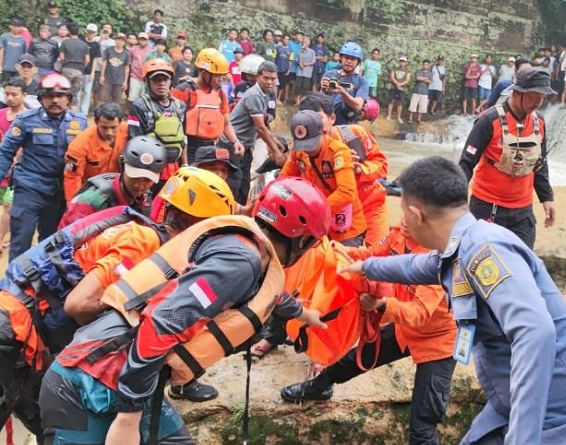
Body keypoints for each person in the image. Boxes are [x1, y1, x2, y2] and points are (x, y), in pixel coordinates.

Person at [344, 156, 566, 444]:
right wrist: (364, 267)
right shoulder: (460, 247)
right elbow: (418, 267)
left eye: (403, 211)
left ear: (416, 215)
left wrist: (522, 439)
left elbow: (535, 332)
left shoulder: (485, 250)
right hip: (510, 407)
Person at [39, 176, 331, 444]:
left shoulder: (247, 251)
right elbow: (164, 321)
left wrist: (305, 315)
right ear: (303, 240)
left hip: (125, 379)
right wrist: (129, 417)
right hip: (87, 383)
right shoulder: (241, 260)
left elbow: (268, 295)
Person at [0, 167, 242, 440]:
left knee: (52, 428)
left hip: (29, 341)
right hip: (12, 331)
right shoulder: (145, 241)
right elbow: (78, 305)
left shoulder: (151, 241)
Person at [281, 220, 457, 444]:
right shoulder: (399, 235)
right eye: (404, 211)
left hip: (438, 341)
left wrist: (382, 304)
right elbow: (372, 253)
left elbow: (419, 313)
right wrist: (339, 251)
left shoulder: (437, 258)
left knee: (423, 422)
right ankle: (318, 386)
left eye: (413, 216)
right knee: (355, 359)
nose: (404, 221)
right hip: (404, 329)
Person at [458, 68, 556, 250]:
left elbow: (540, 164)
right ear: (517, 92)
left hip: (522, 211)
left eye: (541, 97)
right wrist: (458, 201)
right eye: (532, 96)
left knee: (523, 263)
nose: (537, 102)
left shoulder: (539, 122)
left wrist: (547, 198)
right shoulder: (488, 120)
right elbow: (466, 163)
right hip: (487, 207)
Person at [0, 73, 88, 260]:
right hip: (29, 188)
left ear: (69, 98)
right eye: (49, 95)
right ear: (40, 98)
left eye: (60, 95)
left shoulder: (80, 123)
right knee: (21, 240)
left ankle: (41, 286)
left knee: (50, 243)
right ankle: (14, 287)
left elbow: (86, 159)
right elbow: (6, 152)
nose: (55, 100)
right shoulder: (26, 120)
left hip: (59, 193)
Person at [299, 92, 389, 245]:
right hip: (335, 210)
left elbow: (382, 166)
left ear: (332, 119)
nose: (315, 126)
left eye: (319, 119)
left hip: (369, 204)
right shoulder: (302, 149)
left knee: (376, 258)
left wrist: (358, 169)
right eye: (309, 121)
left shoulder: (355, 134)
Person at [280, 110, 366, 246]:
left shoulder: (338, 152)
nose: (307, 150)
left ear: (323, 133)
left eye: (311, 144)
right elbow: (283, 181)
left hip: (344, 229)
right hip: (315, 226)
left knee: (341, 265)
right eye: (303, 145)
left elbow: (346, 192)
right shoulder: (298, 152)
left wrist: (314, 211)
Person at [60, 135, 166, 228]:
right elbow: (65, 242)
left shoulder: (145, 197)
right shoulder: (91, 201)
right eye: (134, 177)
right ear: (122, 166)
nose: (139, 185)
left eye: (147, 180)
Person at [217, 60, 285, 204]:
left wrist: (274, 141)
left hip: (246, 146)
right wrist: (275, 150)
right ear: (258, 77)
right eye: (266, 78)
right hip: (232, 144)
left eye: (273, 79)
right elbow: (260, 127)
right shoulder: (255, 95)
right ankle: (226, 219)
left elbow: (263, 125)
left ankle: (239, 219)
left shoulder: (266, 94)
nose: (269, 82)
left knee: (244, 184)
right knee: (232, 184)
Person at [172, 48, 244, 164]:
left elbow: (225, 122)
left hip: (212, 147)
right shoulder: (184, 90)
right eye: (217, 76)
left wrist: (235, 142)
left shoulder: (219, 93)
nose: (221, 79)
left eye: (222, 75)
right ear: (204, 73)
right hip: (189, 148)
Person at [128, 59, 186, 184]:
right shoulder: (140, 106)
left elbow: (183, 138)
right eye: (156, 80)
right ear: (148, 82)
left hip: (174, 168)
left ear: (171, 81)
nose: (161, 84)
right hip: (149, 168)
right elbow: (135, 140)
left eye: (165, 79)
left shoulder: (179, 106)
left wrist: (185, 165)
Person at [63, 102, 128, 201]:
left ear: (120, 122)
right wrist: (75, 204)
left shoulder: (128, 131)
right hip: (90, 190)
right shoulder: (80, 144)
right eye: (104, 128)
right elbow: (72, 178)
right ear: (96, 122)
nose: (109, 132)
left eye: (113, 127)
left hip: (118, 186)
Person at [0, 78, 26, 254]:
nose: (10, 98)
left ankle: (0, 239)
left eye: (14, 94)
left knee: (8, 207)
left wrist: (15, 161)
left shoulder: (28, 117)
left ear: (24, 95)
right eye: (7, 94)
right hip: (2, 165)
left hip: (17, 170)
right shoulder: (1, 114)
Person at [321, 41, 369, 125]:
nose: (349, 61)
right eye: (346, 57)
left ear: (358, 62)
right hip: (328, 123)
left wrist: (342, 92)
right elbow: (319, 101)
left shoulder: (362, 81)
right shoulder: (329, 74)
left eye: (353, 59)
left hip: (348, 126)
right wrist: (323, 90)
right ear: (341, 58)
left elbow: (358, 105)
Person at [98, 32, 130, 104]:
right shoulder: (108, 50)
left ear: (124, 42)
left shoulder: (126, 54)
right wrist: (102, 76)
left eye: (122, 40)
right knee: (103, 99)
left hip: (119, 81)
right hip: (107, 79)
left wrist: (125, 81)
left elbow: (126, 67)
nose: (119, 42)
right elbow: (104, 62)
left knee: (116, 101)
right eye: (118, 39)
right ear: (115, 40)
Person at [79, 23, 100, 115]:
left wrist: (93, 72)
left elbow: (95, 59)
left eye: (92, 32)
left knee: (87, 92)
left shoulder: (96, 45)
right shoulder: (81, 42)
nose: (90, 34)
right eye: (89, 32)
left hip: (89, 71)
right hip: (79, 70)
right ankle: (77, 110)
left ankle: (84, 112)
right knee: (78, 91)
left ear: (96, 33)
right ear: (86, 32)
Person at [127, 33, 152, 103]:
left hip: (146, 78)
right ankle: (131, 113)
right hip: (135, 76)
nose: (143, 41)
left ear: (147, 41)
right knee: (132, 98)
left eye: (144, 39)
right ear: (138, 40)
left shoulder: (151, 51)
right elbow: (129, 62)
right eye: (141, 39)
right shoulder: (133, 49)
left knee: (144, 99)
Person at [0, 18, 27, 82]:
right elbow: (1, 51)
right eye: (15, 26)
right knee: (5, 86)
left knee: (17, 86)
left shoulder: (23, 40)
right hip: (6, 67)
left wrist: (22, 68)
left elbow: (24, 55)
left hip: (18, 68)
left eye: (19, 26)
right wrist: (0, 65)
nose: (17, 28)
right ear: (10, 26)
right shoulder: (4, 37)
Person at [387, 56, 410, 123]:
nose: (402, 62)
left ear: (405, 63)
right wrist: (397, 83)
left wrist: (400, 84)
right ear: (399, 62)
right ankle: (389, 115)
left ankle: (399, 117)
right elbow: (392, 77)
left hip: (402, 89)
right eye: (401, 61)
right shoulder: (394, 69)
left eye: (403, 61)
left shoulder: (407, 71)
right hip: (393, 88)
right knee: (391, 101)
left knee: (400, 103)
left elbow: (407, 80)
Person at [408, 59, 431, 124]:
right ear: (422, 64)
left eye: (427, 65)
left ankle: (419, 119)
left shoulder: (430, 73)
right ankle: (410, 118)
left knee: (422, 107)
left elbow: (430, 81)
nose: (425, 66)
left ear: (428, 65)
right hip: (416, 91)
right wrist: (426, 78)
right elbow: (418, 78)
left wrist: (422, 79)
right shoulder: (418, 71)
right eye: (424, 64)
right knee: (412, 105)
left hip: (425, 92)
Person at [295, 36, 315, 105]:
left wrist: (306, 64)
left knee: (305, 87)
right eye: (303, 42)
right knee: (298, 86)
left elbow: (313, 61)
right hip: (299, 72)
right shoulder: (299, 51)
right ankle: (297, 101)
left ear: (309, 43)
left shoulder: (312, 52)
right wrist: (300, 63)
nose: (304, 43)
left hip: (307, 73)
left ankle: (303, 101)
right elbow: (297, 60)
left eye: (306, 42)